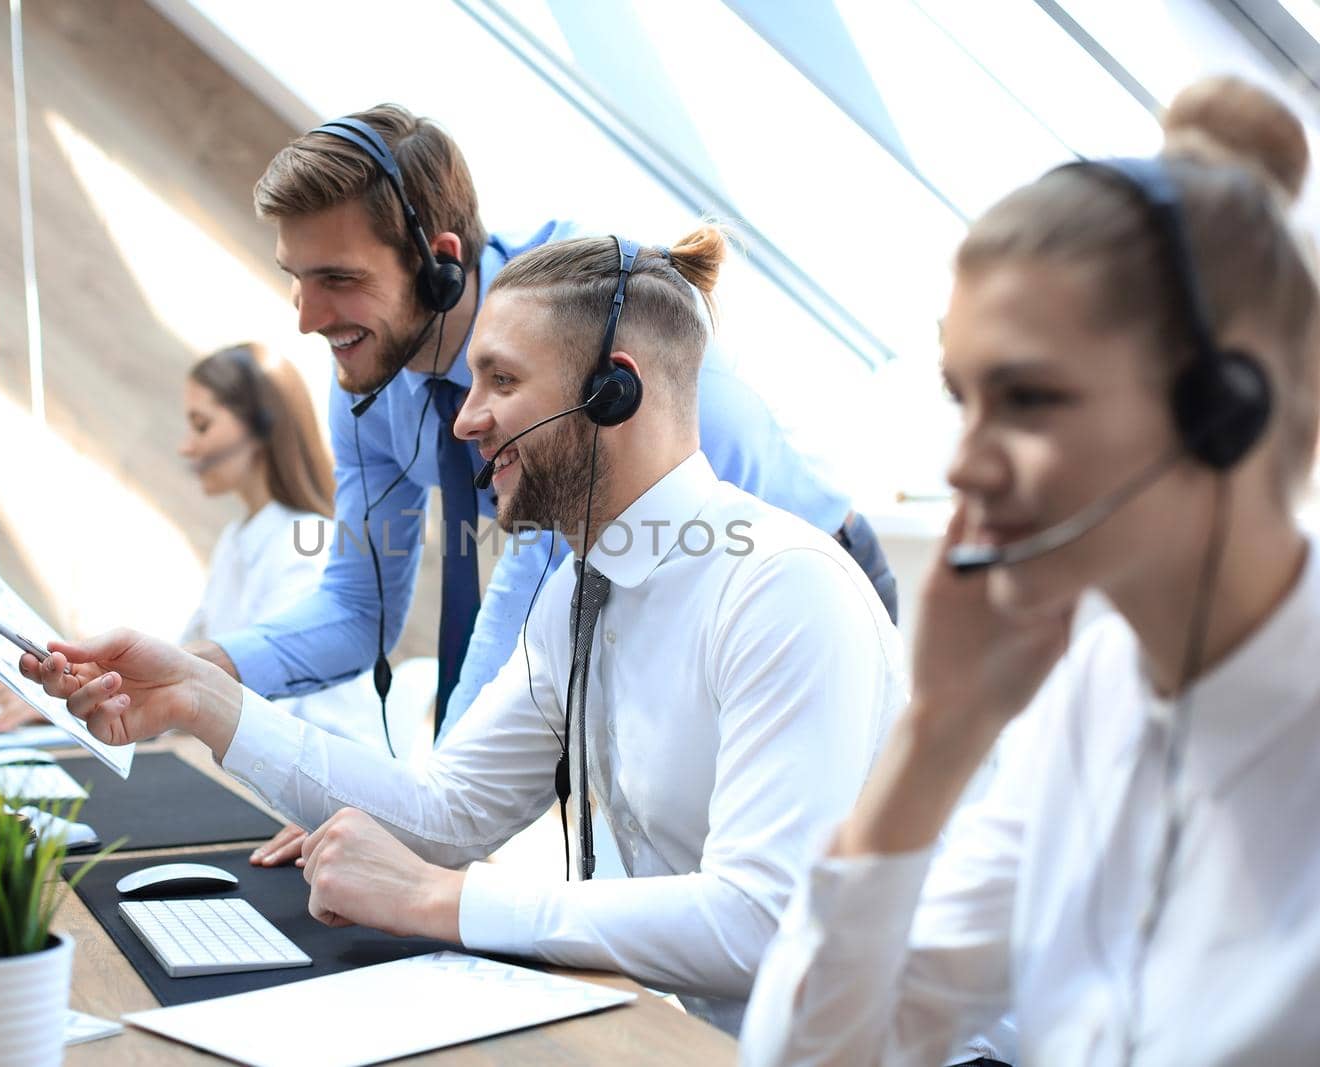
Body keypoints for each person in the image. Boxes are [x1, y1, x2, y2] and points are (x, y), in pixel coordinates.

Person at [20, 227, 905, 1033]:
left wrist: (445, 900)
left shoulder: (781, 589)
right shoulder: (579, 597)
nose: (465, 417)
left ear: (613, 392)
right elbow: (447, 813)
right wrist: (207, 699)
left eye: (504, 380)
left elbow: (760, 924)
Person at [738, 83, 1320, 1065]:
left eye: (1028, 397)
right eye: (963, 398)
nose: (962, 464)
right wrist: (936, 735)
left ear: (1225, 408)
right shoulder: (1085, 699)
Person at [194, 104, 897, 754]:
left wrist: (412, 814)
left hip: (800, 584)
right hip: (651, 601)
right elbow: (358, 606)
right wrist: (200, 670)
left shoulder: (577, 338)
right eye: (298, 277)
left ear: (438, 262)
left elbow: (522, 615)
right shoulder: (372, 375)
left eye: (338, 280)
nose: (307, 317)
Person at [0, 343, 379, 751]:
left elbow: (278, 713)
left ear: (262, 429)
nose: (186, 447)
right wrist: (55, 691)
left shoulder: (303, 547)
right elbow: (178, 665)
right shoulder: (241, 539)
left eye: (201, 425)